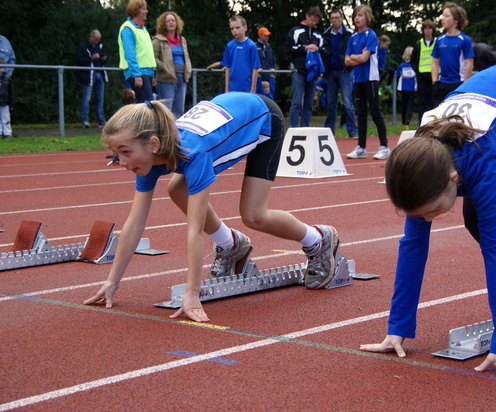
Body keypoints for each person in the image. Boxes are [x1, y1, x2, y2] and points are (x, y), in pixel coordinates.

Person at [360, 63, 496, 380]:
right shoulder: (421, 158)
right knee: (474, 221)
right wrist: (396, 329)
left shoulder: (483, 159)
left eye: (432, 210)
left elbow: (494, 252)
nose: (428, 218)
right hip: (488, 107)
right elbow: (413, 247)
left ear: (453, 179)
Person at [84, 93, 341, 322]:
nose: (120, 162)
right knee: (176, 188)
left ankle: (319, 238)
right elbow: (134, 224)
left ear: (153, 144)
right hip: (231, 111)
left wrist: (192, 293)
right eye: (117, 154)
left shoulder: (194, 153)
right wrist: (112, 282)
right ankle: (230, 243)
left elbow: (194, 231)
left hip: (263, 118)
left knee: (254, 215)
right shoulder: (148, 157)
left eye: (125, 152)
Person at [345, 4, 389, 160]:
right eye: (356, 15)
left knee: (375, 112)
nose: (357, 18)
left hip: (370, 79)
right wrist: (358, 57)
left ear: (368, 17)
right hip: (358, 79)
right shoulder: (352, 37)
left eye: (361, 15)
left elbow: (364, 58)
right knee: (361, 114)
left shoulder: (371, 35)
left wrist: (356, 57)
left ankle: (384, 146)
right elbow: (347, 60)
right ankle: (361, 147)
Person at [285, 6, 329, 128]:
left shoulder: (318, 35)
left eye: (316, 21)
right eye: (312, 20)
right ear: (307, 16)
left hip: (313, 73)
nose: (314, 23)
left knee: (309, 103)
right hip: (299, 70)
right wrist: (305, 48)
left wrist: (317, 49)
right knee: (296, 102)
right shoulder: (295, 31)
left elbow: (326, 51)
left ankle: (305, 127)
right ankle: (293, 128)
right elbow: (288, 49)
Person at [431, 2, 474, 107]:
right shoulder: (439, 40)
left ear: (456, 20)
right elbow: (435, 62)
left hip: (458, 84)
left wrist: (465, 84)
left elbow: (469, 63)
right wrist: (435, 81)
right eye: (442, 16)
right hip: (441, 84)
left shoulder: (464, 40)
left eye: (446, 16)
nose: (443, 19)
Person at [322, 8, 357, 137]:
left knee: (347, 102)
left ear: (342, 19)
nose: (335, 20)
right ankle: (329, 131)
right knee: (331, 103)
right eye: (332, 18)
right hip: (331, 71)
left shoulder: (349, 34)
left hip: (344, 71)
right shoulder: (326, 34)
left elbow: (353, 50)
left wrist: (349, 66)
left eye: (337, 18)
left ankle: (352, 130)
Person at [153, 11, 192, 118]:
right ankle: (165, 133)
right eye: (168, 21)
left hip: (182, 77)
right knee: (166, 109)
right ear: (163, 24)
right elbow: (153, 58)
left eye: (173, 20)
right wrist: (164, 67)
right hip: (166, 78)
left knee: (179, 108)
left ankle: (177, 133)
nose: (171, 23)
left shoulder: (182, 40)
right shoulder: (158, 40)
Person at [118, 0, 156, 103]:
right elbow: (129, 53)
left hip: (146, 72)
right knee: (148, 105)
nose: (146, 11)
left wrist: (152, 75)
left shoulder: (143, 29)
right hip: (138, 71)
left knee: (144, 105)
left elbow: (146, 53)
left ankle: (134, 120)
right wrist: (136, 75)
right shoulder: (127, 29)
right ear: (136, 10)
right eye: (143, 9)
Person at [75, 30, 108, 128]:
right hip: (88, 75)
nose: (97, 42)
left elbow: (104, 58)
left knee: (100, 98)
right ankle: (85, 120)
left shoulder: (100, 47)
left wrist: (103, 59)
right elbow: (78, 61)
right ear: (91, 37)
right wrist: (91, 58)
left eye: (99, 40)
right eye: (96, 40)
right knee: (86, 98)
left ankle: (101, 120)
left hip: (99, 74)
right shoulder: (83, 47)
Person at [222, 15, 260, 93]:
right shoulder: (229, 46)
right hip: (232, 88)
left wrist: (252, 90)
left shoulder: (251, 46)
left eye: (237, 27)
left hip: (247, 87)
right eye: (232, 29)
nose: (234, 31)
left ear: (245, 28)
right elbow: (227, 68)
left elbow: (255, 68)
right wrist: (226, 89)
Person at [410, 20, 436, 120]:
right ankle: (421, 122)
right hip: (421, 76)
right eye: (426, 28)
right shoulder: (418, 44)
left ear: (433, 30)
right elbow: (413, 60)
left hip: (434, 76)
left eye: (430, 28)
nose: (428, 31)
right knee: (422, 101)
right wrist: (417, 70)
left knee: (432, 100)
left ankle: (433, 121)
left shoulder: (437, 42)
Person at [395, 46, 417, 129]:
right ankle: (407, 123)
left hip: (403, 88)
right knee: (409, 106)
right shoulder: (414, 66)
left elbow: (398, 77)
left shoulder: (401, 66)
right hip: (412, 88)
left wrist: (398, 89)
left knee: (404, 106)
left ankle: (403, 123)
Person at [255, 27, 276, 99]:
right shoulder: (254, 47)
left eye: (267, 35)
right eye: (265, 35)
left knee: (270, 96)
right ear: (260, 35)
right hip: (258, 77)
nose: (267, 37)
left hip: (268, 77)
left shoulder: (269, 47)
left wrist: (272, 73)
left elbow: (272, 60)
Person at [0, 58, 14, 138]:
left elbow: (11, 92)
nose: (0, 69)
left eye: (2, 67)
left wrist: (11, 103)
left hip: (5, 102)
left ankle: (7, 133)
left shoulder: (7, 79)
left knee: (6, 118)